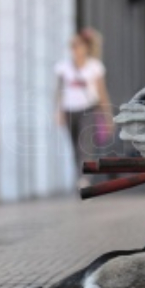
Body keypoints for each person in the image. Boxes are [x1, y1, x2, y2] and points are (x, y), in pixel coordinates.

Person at [54, 28, 113, 188]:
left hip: (89, 109)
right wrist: (58, 111)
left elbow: (102, 92)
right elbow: (59, 91)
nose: (76, 49)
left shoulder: (94, 67)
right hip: (69, 110)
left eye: (79, 45)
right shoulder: (63, 67)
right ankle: (81, 175)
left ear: (86, 48)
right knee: (74, 145)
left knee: (85, 144)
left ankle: (85, 178)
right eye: (73, 46)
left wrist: (108, 117)